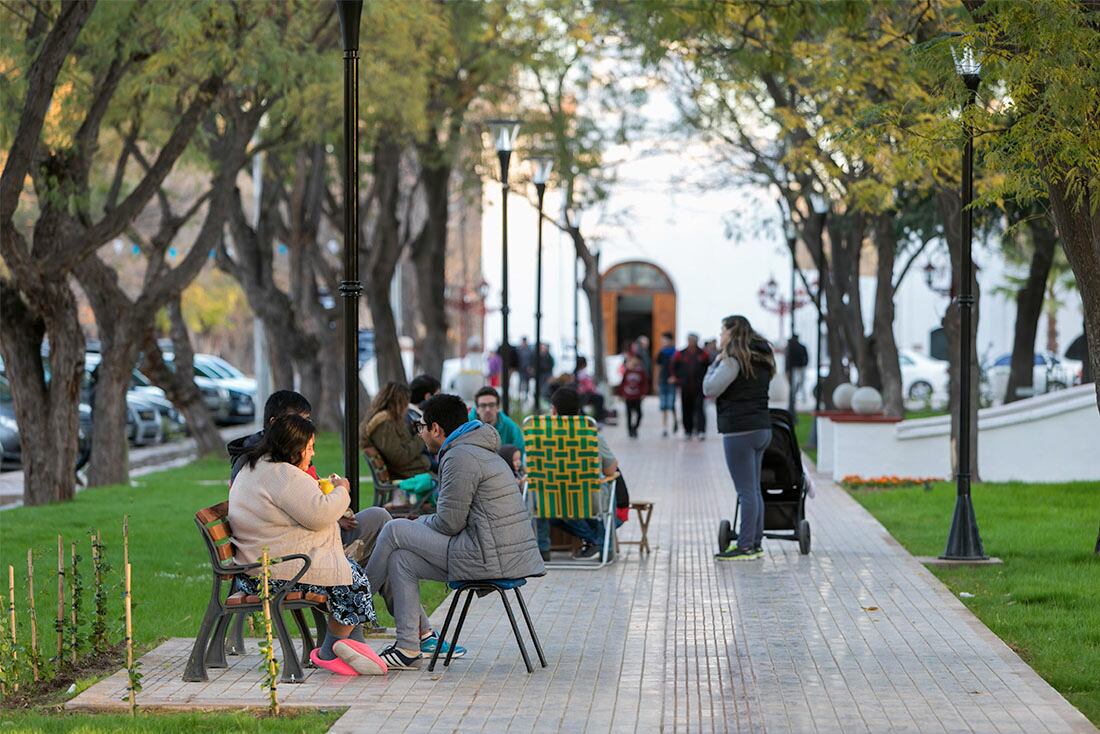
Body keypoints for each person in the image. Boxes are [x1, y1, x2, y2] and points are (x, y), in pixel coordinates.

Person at [365, 394, 544, 669]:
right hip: (498, 553)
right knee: (400, 559)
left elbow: (449, 523)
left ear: (436, 429)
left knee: (392, 529)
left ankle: (354, 606)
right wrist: (422, 523)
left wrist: (417, 524)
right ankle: (408, 647)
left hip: (487, 556)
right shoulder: (475, 448)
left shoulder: (460, 455)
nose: (420, 434)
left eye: (421, 427)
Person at [229, 415, 387, 675]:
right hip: (272, 575)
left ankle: (349, 647)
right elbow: (320, 514)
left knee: (346, 570)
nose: (312, 453)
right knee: (353, 578)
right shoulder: (282, 475)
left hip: (255, 568)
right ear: (294, 448)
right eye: (310, 447)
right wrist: (342, 489)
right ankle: (330, 651)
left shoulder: (256, 465)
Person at [228, 390, 387, 553]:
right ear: (275, 423)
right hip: (295, 548)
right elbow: (309, 514)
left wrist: (334, 510)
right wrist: (341, 492)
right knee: (390, 538)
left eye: (307, 420)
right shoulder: (268, 464)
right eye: (297, 421)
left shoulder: (284, 455)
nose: (305, 428)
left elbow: (306, 502)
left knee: (384, 527)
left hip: (307, 536)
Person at [703, 315, 776, 561]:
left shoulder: (732, 361)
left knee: (746, 491)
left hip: (740, 431)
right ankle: (755, 543)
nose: (720, 336)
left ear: (732, 333)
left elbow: (710, 389)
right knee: (754, 489)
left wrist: (714, 364)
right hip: (762, 429)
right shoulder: (762, 359)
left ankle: (744, 546)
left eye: (722, 331)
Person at [534, 387, 623, 560]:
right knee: (610, 485)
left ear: (553, 410)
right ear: (577, 411)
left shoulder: (540, 438)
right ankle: (608, 548)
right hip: (588, 500)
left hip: (548, 501)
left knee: (541, 497)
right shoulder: (591, 436)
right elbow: (611, 470)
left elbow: (528, 467)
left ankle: (543, 549)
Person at [360, 383, 432, 507]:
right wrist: (420, 437)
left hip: (415, 469)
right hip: (410, 474)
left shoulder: (390, 421)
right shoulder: (384, 425)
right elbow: (399, 457)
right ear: (399, 403)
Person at [671, 334, 711, 440]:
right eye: (689, 340)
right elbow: (674, 367)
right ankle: (688, 430)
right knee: (686, 409)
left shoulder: (703, 354)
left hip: (699, 386)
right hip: (685, 386)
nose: (691, 342)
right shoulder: (681, 354)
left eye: (693, 340)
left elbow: (709, 368)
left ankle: (701, 430)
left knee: (699, 408)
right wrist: (676, 378)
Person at [469, 386, 526, 456]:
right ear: (477, 409)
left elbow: (519, 451)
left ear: (498, 407)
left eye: (491, 405)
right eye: (483, 405)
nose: (487, 409)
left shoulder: (510, 427)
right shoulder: (466, 425)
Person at [618, 354, 649, 439]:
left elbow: (644, 383)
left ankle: (635, 428)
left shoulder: (641, 372)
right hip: (628, 396)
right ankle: (630, 431)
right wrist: (621, 394)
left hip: (637, 396)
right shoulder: (627, 371)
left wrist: (644, 393)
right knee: (629, 415)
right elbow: (623, 383)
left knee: (639, 414)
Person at [655, 332, 678, 437]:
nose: (663, 342)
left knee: (671, 404)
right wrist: (656, 381)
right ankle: (665, 427)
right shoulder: (661, 353)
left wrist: (676, 378)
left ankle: (675, 421)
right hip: (663, 381)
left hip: (672, 382)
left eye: (664, 340)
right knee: (663, 405)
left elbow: (679, 368)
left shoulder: (676, 353)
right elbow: (658, 368)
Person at [574, 357, 608, 423]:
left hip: (584, 394)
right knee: (600, 398)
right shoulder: (582, 373)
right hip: (585, 395)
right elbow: (589, 387)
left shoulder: (577, 373)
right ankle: (599, 418)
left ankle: (598, 418)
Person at [787, 334, 809, 405]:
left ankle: (796, 397)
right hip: (798, 367)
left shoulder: (792, 348)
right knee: (799, 383)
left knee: (798, 383)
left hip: (797, 367)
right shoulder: (800, 347)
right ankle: (796, 397)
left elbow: (788, 359)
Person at [516, 337, 534, 402]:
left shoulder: (530, 350)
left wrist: (531, 367)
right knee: (520, 382)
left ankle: (526, 396)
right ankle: (519, 396)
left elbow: (532, 359)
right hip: (521, 369)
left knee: (527, 382)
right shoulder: (519, 350)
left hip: (527, 369)